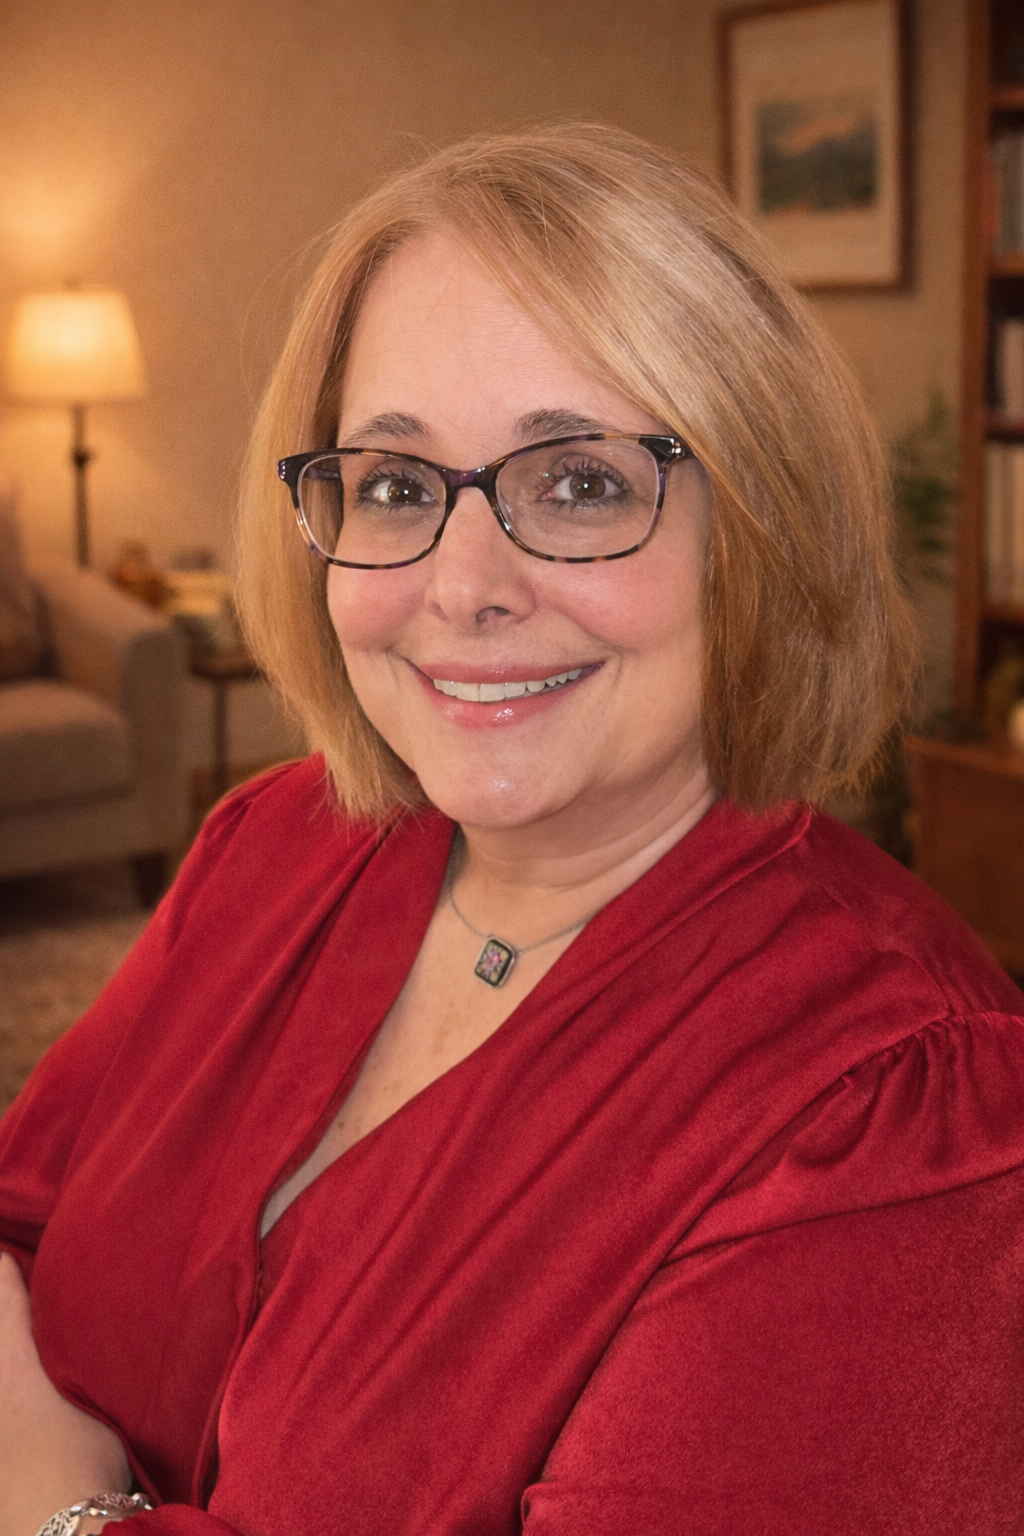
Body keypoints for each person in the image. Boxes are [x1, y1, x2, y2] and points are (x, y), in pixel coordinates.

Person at [1, 123, 1023, 1536]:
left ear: (761, 528)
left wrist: (62, 1507)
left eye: (583, 482)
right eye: (399, 487)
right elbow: (22, 1216)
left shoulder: (894, 1113)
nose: (463, 585)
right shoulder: (282, 840)